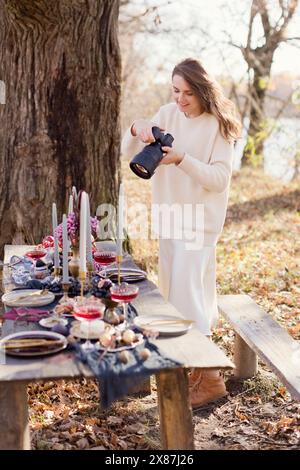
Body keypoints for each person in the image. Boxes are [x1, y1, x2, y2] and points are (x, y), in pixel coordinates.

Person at [121, 58, 241, 407]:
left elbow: (219, 180)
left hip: (199, 222)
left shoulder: (218, 126)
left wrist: (182, 160)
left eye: (188, 92)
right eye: (176, 90)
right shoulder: (167, 113)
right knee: (179, 297)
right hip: (170, 218)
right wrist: (137, 127)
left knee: (190, 295)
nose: (180, 99)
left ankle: (212, 379)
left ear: (203, 91)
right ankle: (198, 369)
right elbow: (131, 155)